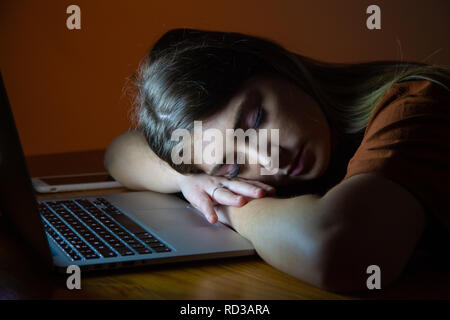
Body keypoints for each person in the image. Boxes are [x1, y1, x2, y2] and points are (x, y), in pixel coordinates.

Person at [105, 28, 450, 292]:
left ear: (275, 67)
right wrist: (189, 179)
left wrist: (226, 201)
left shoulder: (416, 105)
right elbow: (120, 150)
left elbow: (333, 249)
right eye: (234, 166)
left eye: (254, 120)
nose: (270, 161)